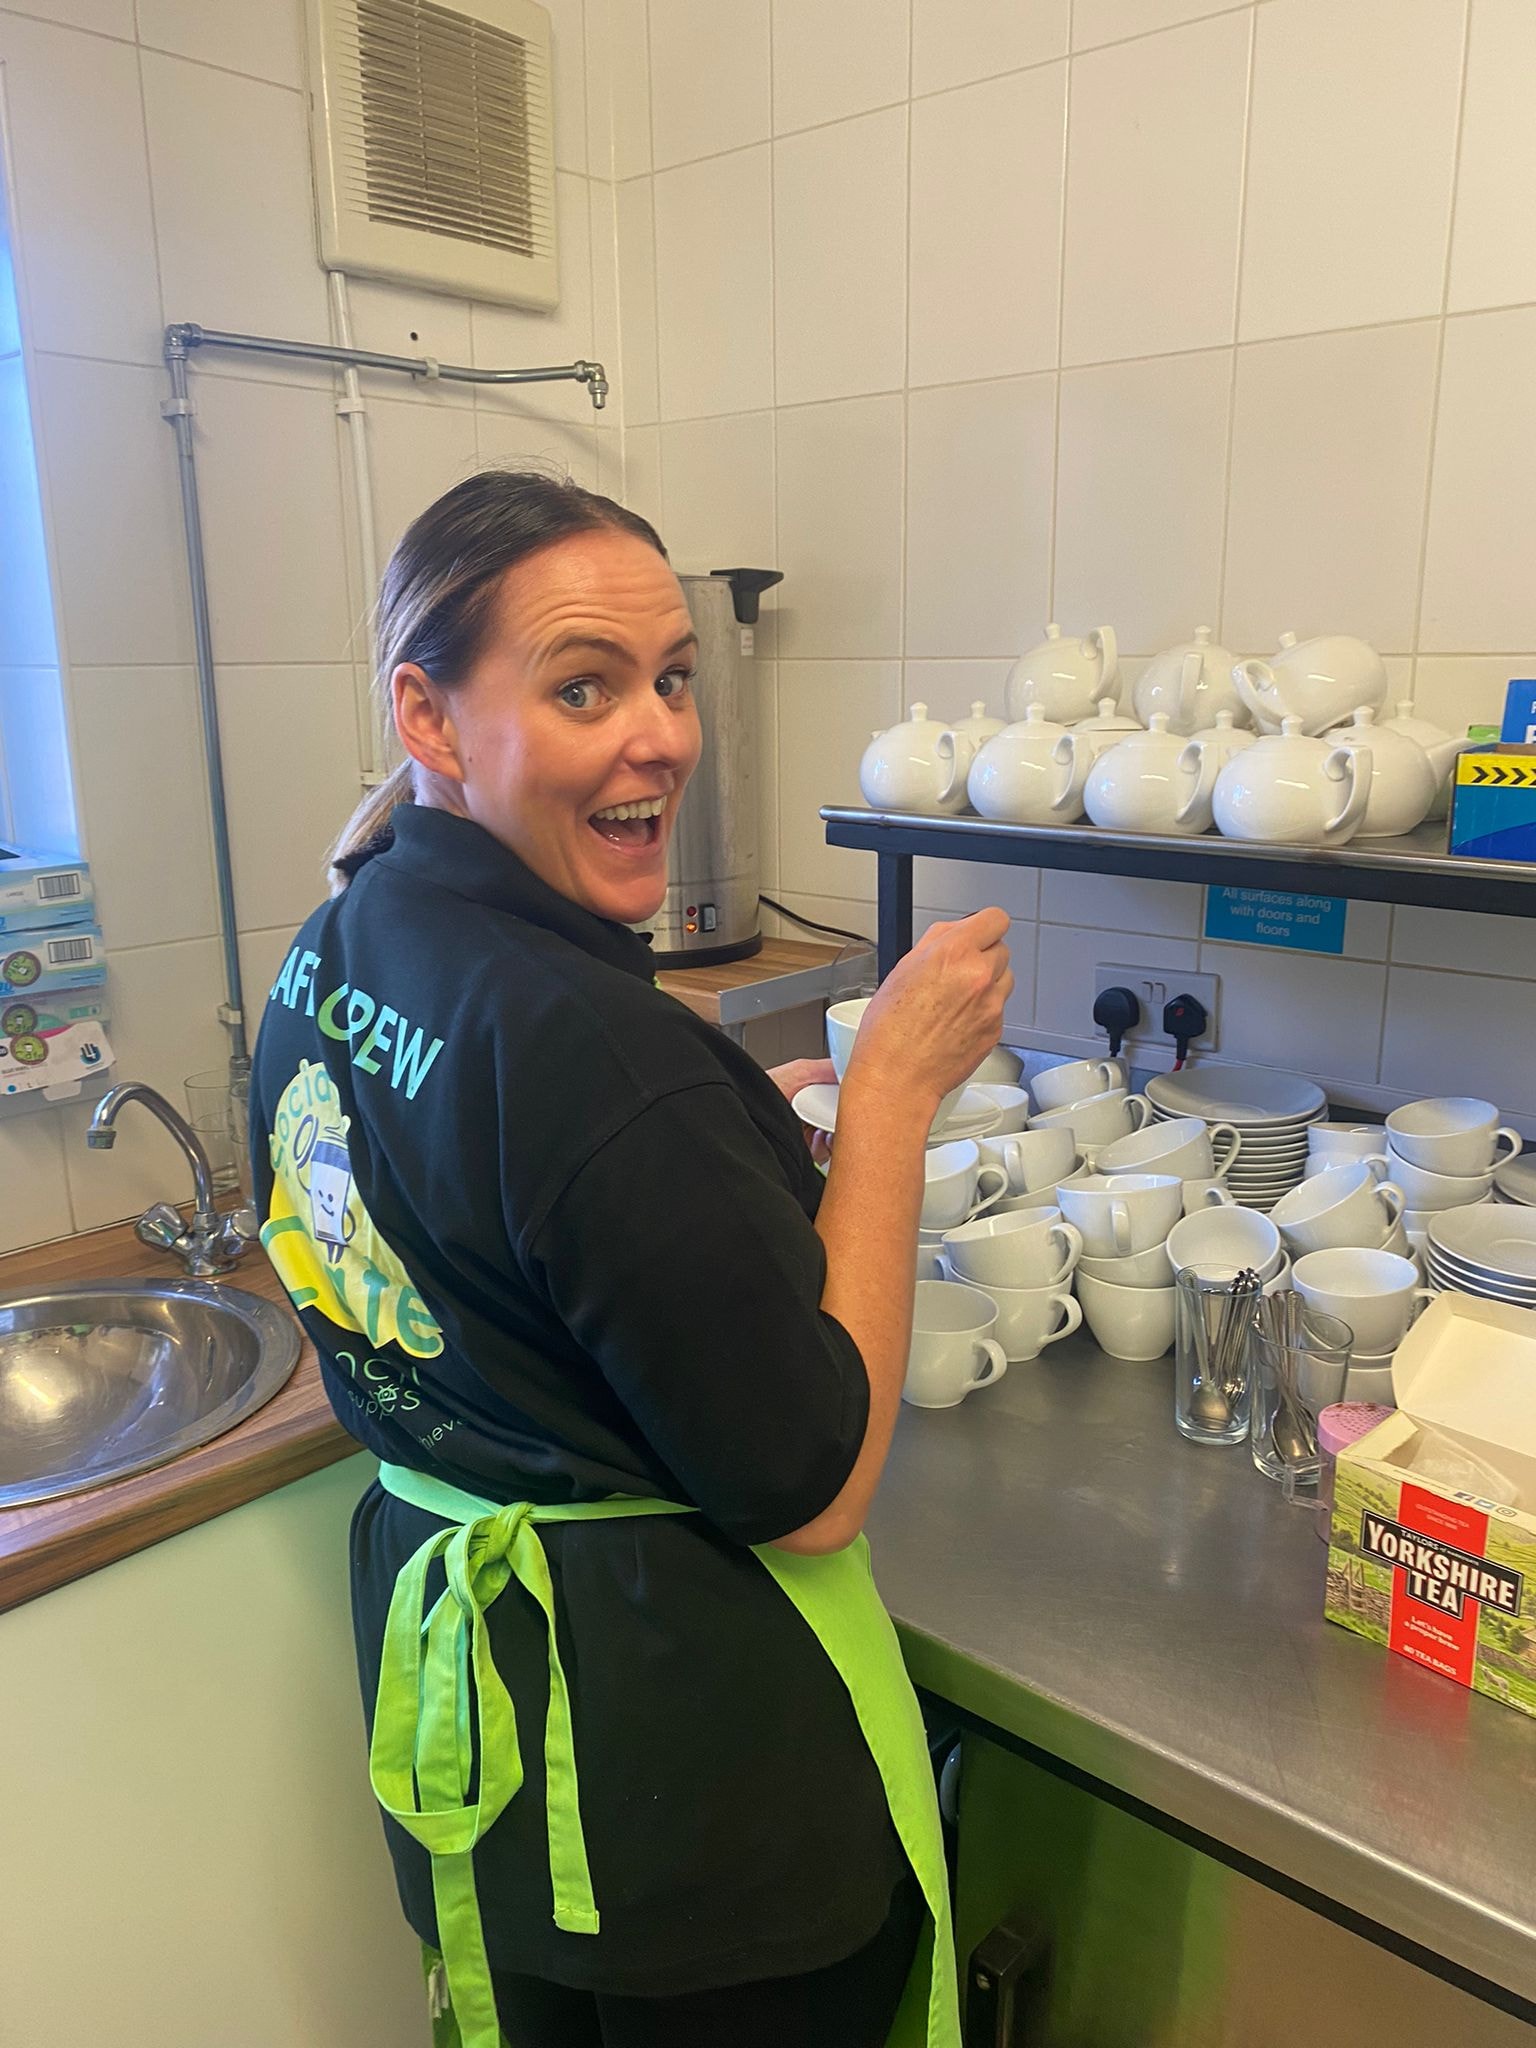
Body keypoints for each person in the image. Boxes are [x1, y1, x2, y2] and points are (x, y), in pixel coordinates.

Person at [249, 470, 1011, 2048]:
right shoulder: (592, 1052)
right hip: (681, 1809)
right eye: (583, 687)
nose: (659, 735)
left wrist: (724, 1140)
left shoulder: (341, 936)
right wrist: (887, 1099)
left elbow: (482, 1208)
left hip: (492, 1751)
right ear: (430, 716)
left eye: (672, 680)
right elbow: (814, 1487)